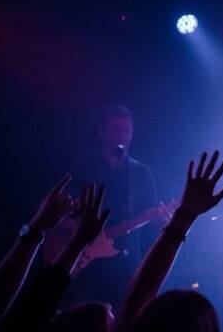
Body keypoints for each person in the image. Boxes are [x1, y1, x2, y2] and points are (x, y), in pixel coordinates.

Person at [50, 105, 162, 309]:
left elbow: (152, 220)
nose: (123, 136)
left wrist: (162, 220)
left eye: (127, 130)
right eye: (116, 130)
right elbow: (57, 215)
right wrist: (85, 234)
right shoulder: (82, 168)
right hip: (85, 266)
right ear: (101, 131)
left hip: (124, 267)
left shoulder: (142, 174)